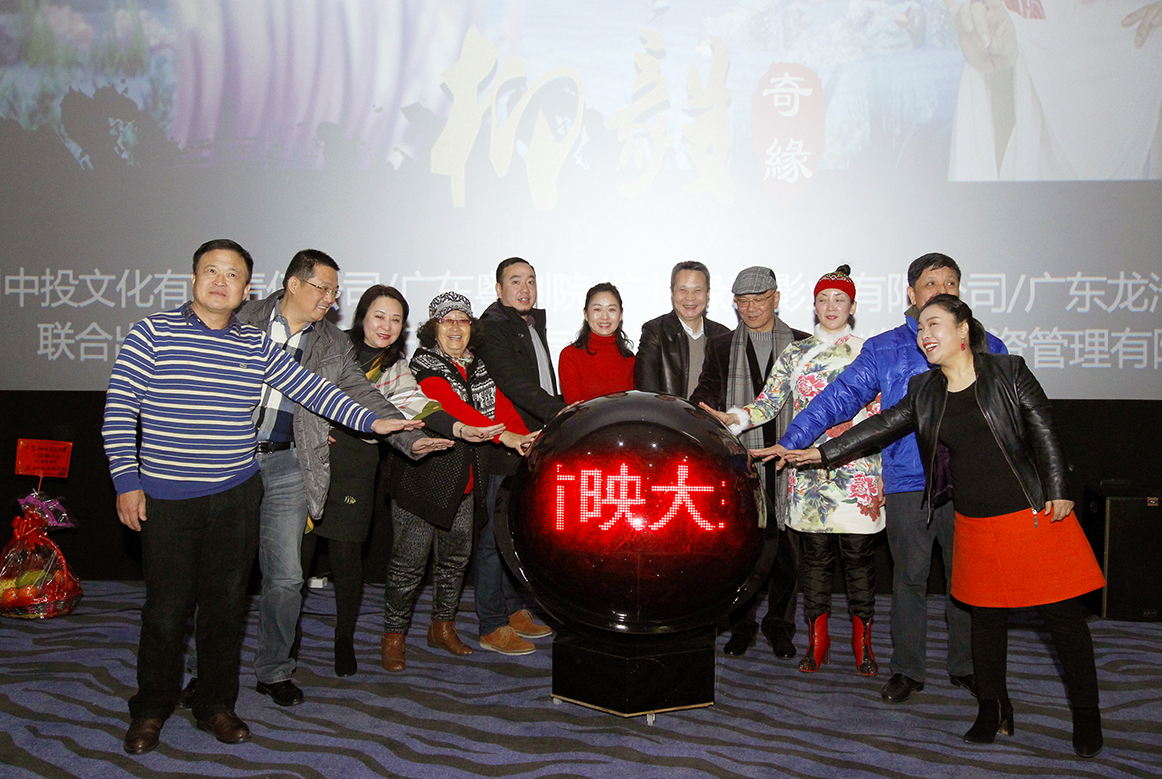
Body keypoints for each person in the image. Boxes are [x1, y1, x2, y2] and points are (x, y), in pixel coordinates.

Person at [102, 239, 427, 754]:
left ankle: (215, 703)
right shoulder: (152, 332)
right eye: (212, 271)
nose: (220, 282)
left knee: (226, 608)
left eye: (232, 275)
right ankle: (150, 709)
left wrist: (374, 422)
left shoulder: (252, 343)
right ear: (193, 278)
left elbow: (313, 390)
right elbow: (120, 412)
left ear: (246, 288)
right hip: (167, 497)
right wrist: (127, 482)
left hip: (235, 493)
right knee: (166, 611)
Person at [782, 294, 1106, 758]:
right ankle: (993, 708)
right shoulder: (925, 390)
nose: (925, 335)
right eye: (920, 328)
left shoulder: (1008, 372)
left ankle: (1087, 715)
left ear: (963, 329)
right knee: (986, 623)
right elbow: (881, 426)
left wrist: (1058, 486)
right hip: (974, 521)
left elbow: (1044, 431)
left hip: (1031, 514)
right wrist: (818, 453)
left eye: (934, 324)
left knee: (1063, 620)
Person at [182, 249, 451, 709]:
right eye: (322, 288)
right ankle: (200, 673)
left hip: (289, 464)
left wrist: (409, 439)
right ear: (293, 283)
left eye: (334, 292)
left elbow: (361, 394)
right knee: (222, 574)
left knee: (287, 577)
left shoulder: (331, 342)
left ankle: (274, 670)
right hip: (231, 461)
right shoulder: (242, 317)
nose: (331, 299)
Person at [771, 252, 1006, 704]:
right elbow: (837, 399)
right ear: (912, 294)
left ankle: (966, 665)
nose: (941, 290)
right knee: (909, 579)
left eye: (950, 283)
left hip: (971, 482)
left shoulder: (988, 345)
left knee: (967, 580)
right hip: (908, 480)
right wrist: (793, 440)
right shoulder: (886, 348)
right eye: (931, 283)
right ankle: (908, 669)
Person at [299, 285, 499, 677]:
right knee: (298, 563)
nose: (387, 326)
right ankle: (300, 643)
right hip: (314, 462)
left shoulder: (396, 366)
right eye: (379, 316)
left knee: (348, 562)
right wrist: (313, 426)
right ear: (361, 316)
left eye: (395, 320)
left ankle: (347, 639)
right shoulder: (331, 347)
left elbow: (416, 404)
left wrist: (457, 430)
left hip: (360, 464)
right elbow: (301, 389)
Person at [704, 266, 886, 676]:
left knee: (859, 562)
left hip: (856, 469)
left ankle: (864, 646)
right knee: (815, 561)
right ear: (814, 306)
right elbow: (767, 404)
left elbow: (880, 411)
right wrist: (733, 418)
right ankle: (817, 643)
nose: (831, 307)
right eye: (823, 299)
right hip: (806, 470)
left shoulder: (870, 351)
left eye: (839, 300)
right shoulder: (795, 353)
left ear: (853, 306)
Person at [380, 293, 534, 671]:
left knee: (454, 562)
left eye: (462, 320)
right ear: (433, 328)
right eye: (446, 320)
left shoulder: (477, 367)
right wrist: (505, 437)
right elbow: (451, 407)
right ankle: (394, 637)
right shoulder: (423, 365)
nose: (455, 327)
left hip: (465, 482)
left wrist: (524, 437)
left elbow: (499, 406)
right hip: (423, 480)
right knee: (409, 565)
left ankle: (442, 627)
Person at [690, 266, 808, 659]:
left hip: (790, 459)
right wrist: (701, 409)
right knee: (744, 547)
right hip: (742, 460)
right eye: (744, 301)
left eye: (760, 299)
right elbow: (707, 391)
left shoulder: (803, 344)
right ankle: (741, 625)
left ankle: (780, 626)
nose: (752, 308)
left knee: (788, 551)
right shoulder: (721, 345)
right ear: (735, 304)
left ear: (776, 298)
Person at [473, 257, 562, 654]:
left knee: (515, 534)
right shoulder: (492, 329)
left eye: (530, 281)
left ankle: (512, 611)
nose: (525, 289)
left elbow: (542, 380)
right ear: (498, 289)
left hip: (532, 441)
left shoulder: (530, 323)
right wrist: (561, 413)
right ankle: (491, 623)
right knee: (493, 538)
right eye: (515, 281)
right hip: (503, 444)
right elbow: (514, 383)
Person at [634, 261, 731, 398]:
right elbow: (647, 391)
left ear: (708, 293)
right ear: (672, 292)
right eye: (682, 290)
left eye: (697, 290)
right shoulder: (655, 332)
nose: (690, 297)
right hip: (668, 412)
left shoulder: (722, 335)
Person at [558, 282, 636, 403]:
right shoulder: (570, 355)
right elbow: (574, 406)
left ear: (621, 314)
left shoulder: (629, 359)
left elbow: (632, 405)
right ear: (586, 314)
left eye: (611, 309)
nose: (604, 317)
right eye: (597, 309)